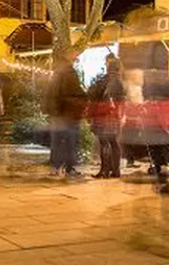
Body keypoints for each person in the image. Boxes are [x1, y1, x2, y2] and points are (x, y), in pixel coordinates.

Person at [44, 50, 87, 179]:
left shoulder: (55, 74)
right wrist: (85, 97)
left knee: (57, 141)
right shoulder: (70, 73)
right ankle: (69, 168)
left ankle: (56, 167)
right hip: (68, 113)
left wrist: (51, 110)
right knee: (70, 141)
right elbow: (75, 92)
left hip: (57, 113)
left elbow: (49, 94)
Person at [87, 55, 125, 178]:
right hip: (115, 115)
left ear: (108, 67)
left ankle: (104, 170)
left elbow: (92, 94)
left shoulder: (104, 80)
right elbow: (122, 99)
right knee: (113, 142)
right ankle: (116, 171)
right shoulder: (119, 81)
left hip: (103, 114)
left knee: (104, 142)